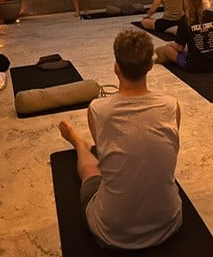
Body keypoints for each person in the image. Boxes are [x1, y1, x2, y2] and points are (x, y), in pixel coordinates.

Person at [58, 28, 182, 249]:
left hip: (111, 232)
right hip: (168, 223)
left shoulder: (98, 110)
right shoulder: (171, 105)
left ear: (116, 68)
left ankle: (78, 143)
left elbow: (104, 154)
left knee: (92, 171)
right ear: (150, 66)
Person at [162, 0, 213, 72]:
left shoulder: (184, 20)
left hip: (195, 66)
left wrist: (171, 44)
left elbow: (180, 48)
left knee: (167, 49)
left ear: (187, 0)